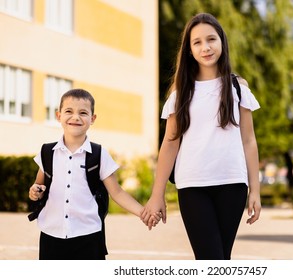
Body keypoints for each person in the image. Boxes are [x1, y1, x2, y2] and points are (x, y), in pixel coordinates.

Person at [141, 13, 261, 260]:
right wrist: (157, 194)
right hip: (193, 186)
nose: (205, 47)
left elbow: (249, 140)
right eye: (197, 42)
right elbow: (170, 143)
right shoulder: (180, 92)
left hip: (232, 185)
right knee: (209, 259)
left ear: (222, 43)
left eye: (211, 39)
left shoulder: (238, 86)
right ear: (189, 49)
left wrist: (255, 191)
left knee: (220, 259)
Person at [28, 88, 160, 260]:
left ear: (92, 119)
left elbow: (117, 192)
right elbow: (39, 186)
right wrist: (35, 191)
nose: (75, 117)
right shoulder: (47, 152)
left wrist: (144, 213)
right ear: (59, 115)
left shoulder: (99, 154)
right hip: (51, 235)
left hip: (88, 236)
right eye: (69, 111)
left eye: (83, 113)